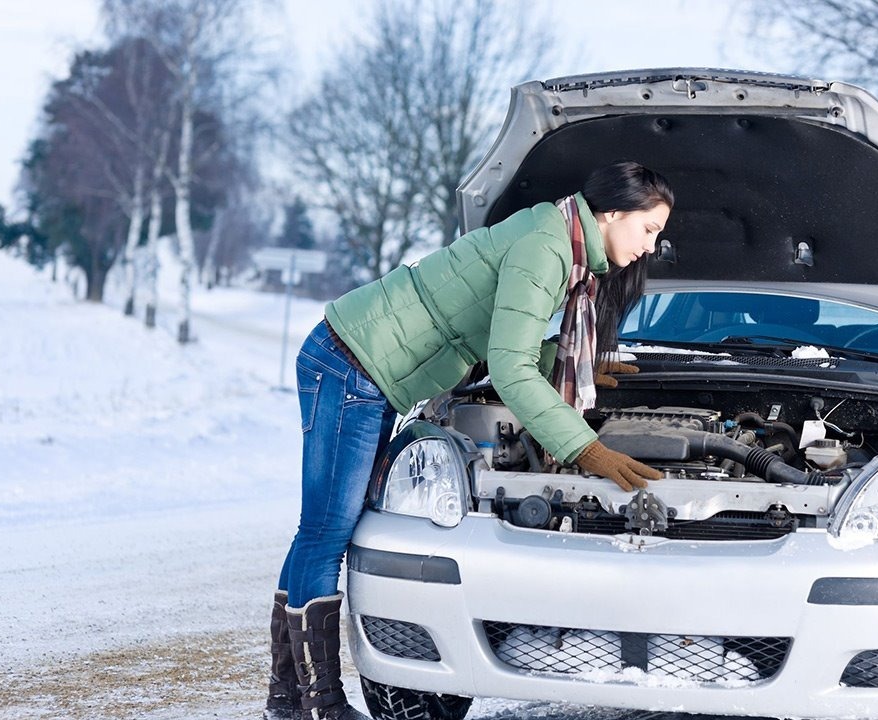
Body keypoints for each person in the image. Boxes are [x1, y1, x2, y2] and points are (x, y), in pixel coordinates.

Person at [263, 161, 674, 720]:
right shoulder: (546, 248)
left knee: (319, 530)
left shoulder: (555, 237)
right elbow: (509, 369)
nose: (651, 246)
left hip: (363, 364)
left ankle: (286, 701)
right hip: (351, 362)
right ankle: (319, 704)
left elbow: (501, 331)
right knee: (327, 532)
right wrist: (587, 449)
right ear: (613, 213)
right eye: (649, 229)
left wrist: (571, 365)